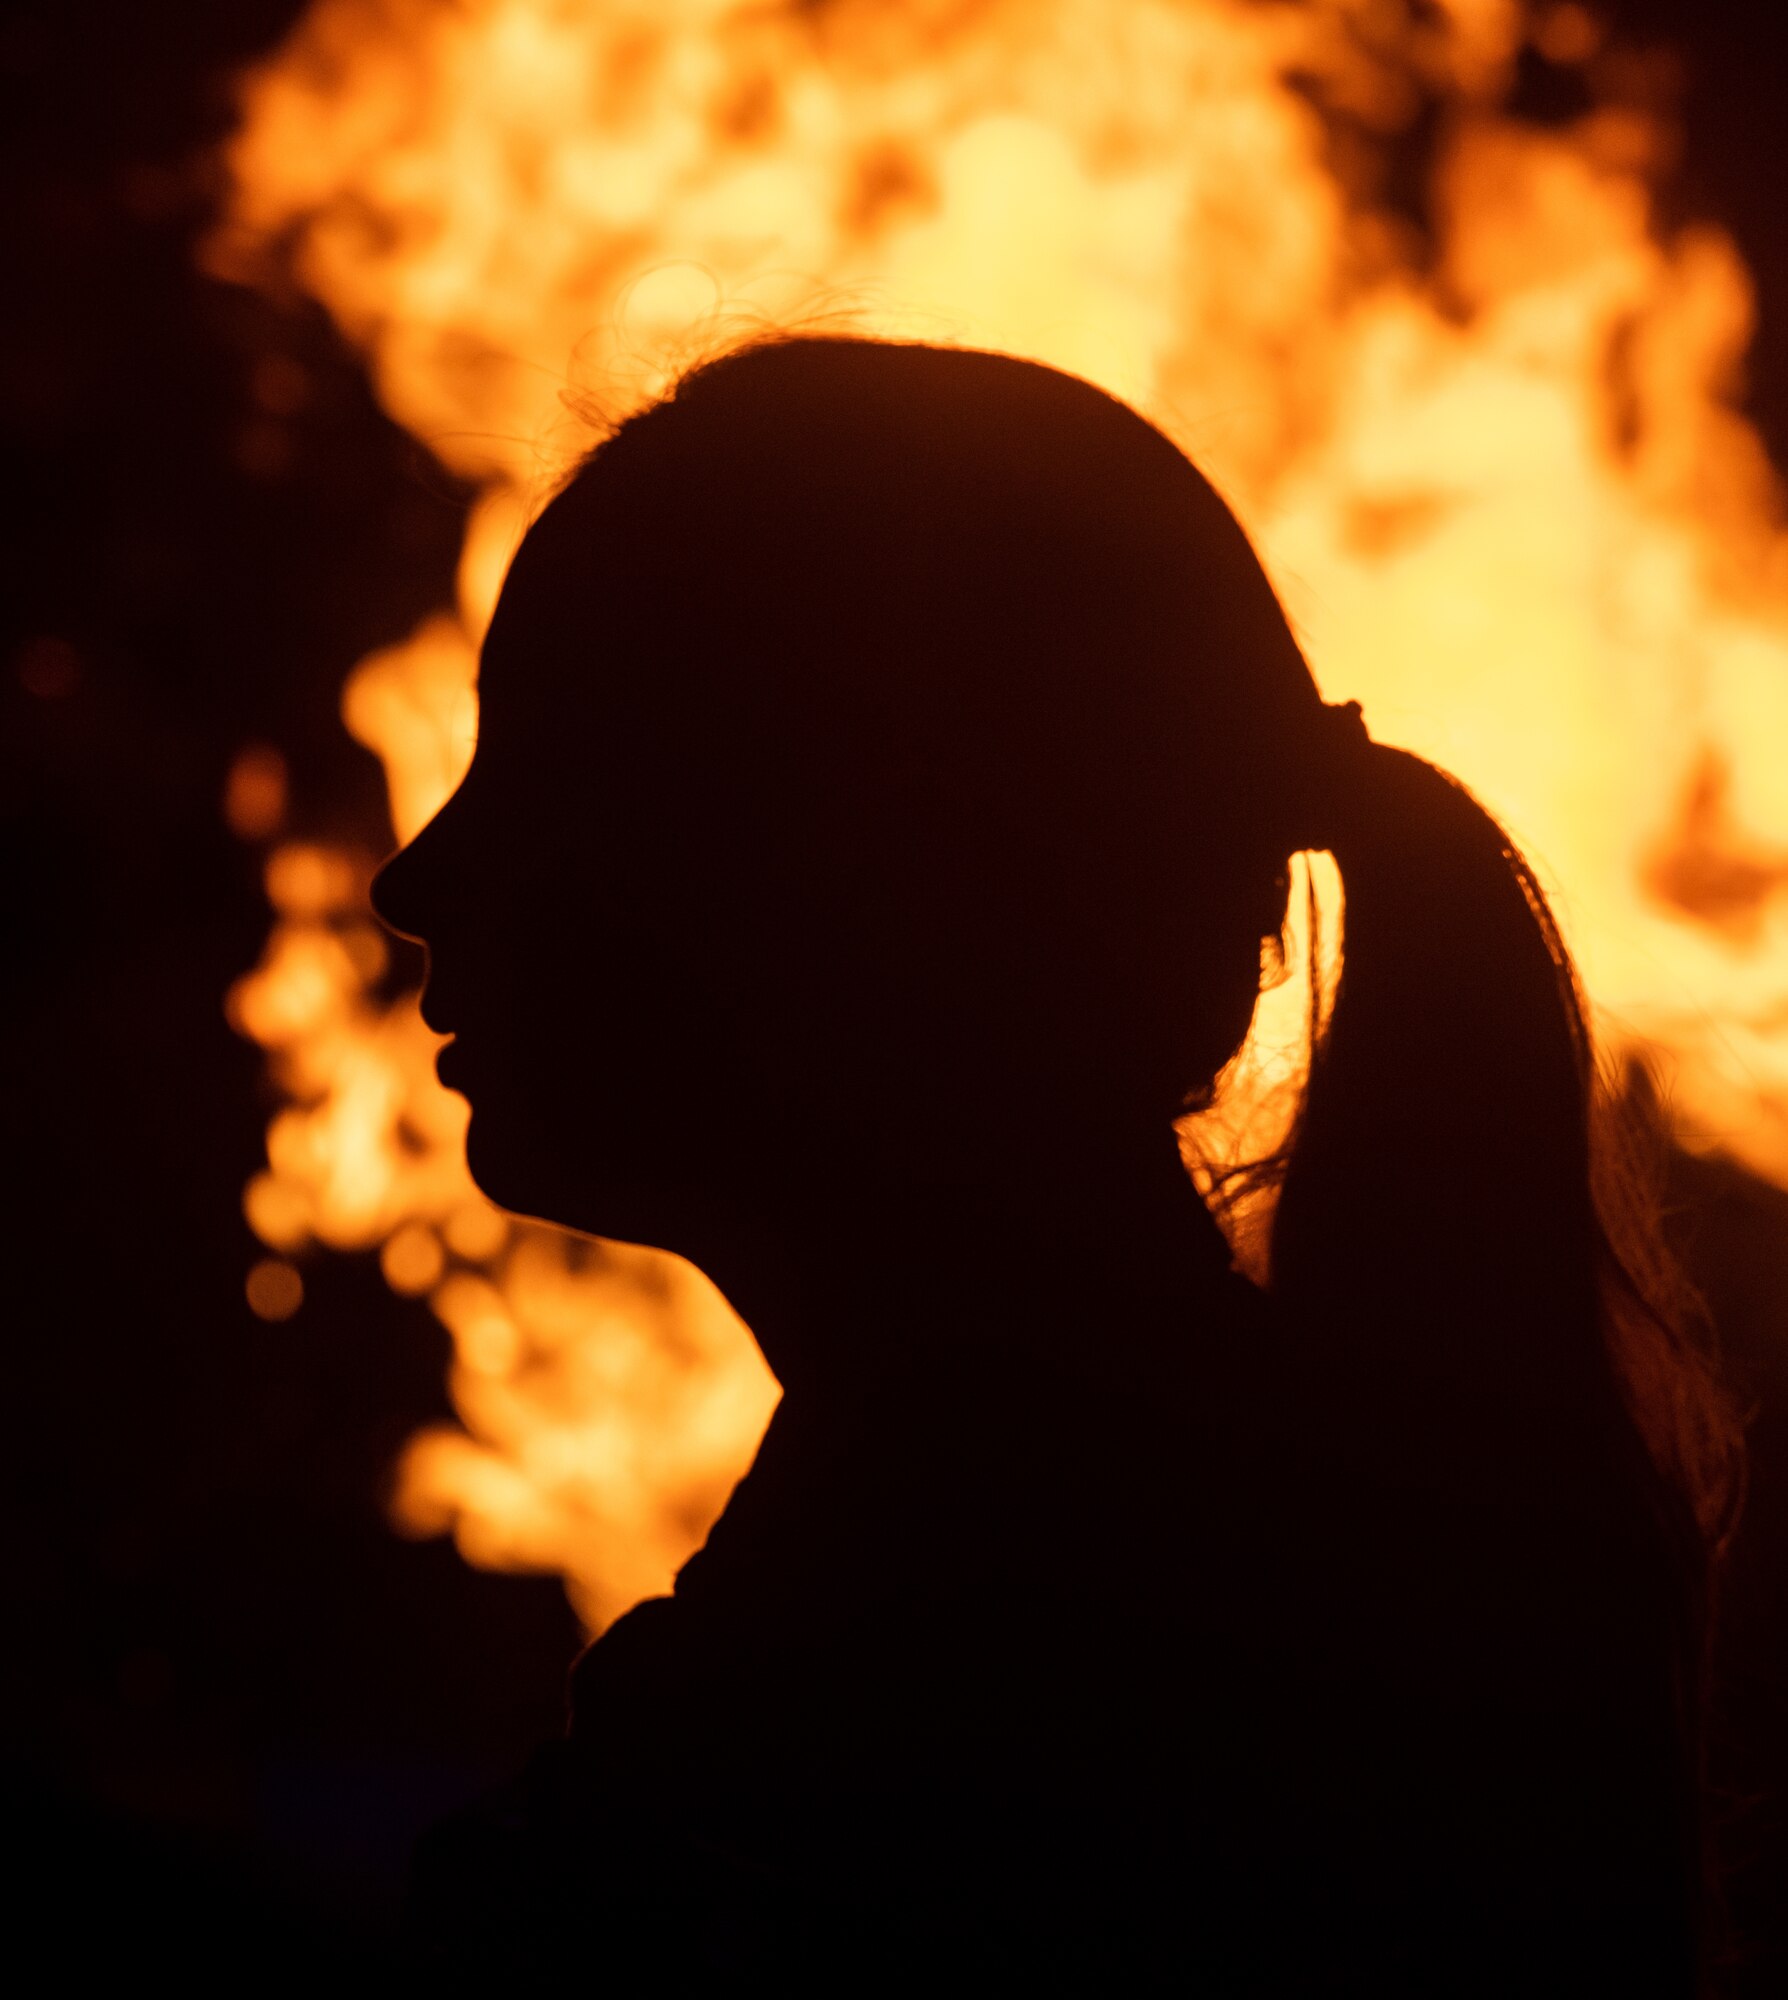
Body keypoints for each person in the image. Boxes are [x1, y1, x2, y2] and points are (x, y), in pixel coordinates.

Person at [375, 336, 1738, 1990]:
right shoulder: (1227, 1554)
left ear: (860, 875)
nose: (416, 879)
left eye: (551, 769)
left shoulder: (912, 1707)